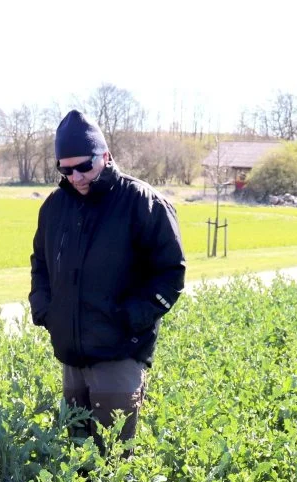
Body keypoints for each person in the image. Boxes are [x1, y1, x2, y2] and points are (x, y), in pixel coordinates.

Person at [29, 110, 186, 447]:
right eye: (65, 169)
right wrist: (44, 309)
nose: (76, 177)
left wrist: (128, 319)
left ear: (106, 156)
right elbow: (40, 264)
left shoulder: (143, 203)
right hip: (72, 356)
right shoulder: (54, 207)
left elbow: (171, 274)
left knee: (113, 459)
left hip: (119, 355)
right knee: (77, 458)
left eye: (84, 166)